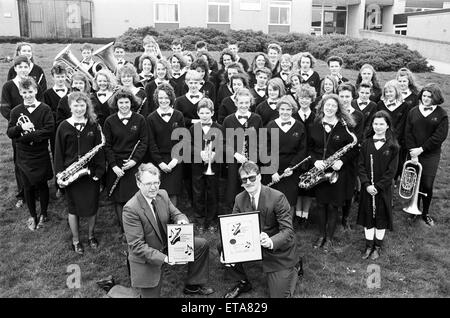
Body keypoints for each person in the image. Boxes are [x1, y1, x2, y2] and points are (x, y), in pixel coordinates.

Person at [122, 163, 215, 298]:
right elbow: (137, 247)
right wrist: (165, 258)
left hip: (168, 244)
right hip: (148, 255)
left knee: (202, 245)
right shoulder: (130, 209)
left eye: (156, 182)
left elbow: (176, 213)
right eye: (148, 184)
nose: (154, 187)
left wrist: (181, 220)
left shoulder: (163, 194)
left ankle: (193, 285)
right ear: (138, 183)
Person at [222, 161, 299, 298]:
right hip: (252, 243)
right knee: (222, 245)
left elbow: (288, 231)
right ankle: (243, 281)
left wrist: (270, 241)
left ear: (259, 177)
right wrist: (228, 251)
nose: (249, 182)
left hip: (276, 249)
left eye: (252, 177)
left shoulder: (277, 197)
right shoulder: (239, 198)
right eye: (244, 179)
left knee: (278, 296)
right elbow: (233, 225)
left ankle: (295, 267)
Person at [54, 92, 106, 255]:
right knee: (73, 209)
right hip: (71, 174)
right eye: (75, 105)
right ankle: (76, 240)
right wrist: (59, 173)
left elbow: (99, 151)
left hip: (89, 173)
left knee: (92, 207)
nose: (79, 108)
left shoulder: (93, 125)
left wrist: (99, 172)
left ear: (87, 106)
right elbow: (58, 152)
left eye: (82, 105)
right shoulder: (63, 126)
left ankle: (91, 236)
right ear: (70, 106)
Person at [306, 94, 357, 252]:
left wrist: (342, 161)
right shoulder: (314, 125)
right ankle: (321, 235)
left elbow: (354, 149)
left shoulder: (346, 126)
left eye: (333, 106)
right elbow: (309, 148)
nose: (330, 108)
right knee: (321, 204)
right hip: (320, 171)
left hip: (337, 172)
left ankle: (329, 238)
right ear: (322, 106)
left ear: (338, 108)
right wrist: (315, 161)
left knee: (333, 206)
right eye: (327, 105)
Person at [7, 77, 54, 230]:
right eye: (25, 92)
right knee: (27, 186)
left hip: (39, 152)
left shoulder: (45, 109)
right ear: (20, 92)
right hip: (24, 154)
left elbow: (49, 130)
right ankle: (33, 215)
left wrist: (26, 136)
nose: (28, 95)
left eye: (30, 92)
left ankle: (44, 214)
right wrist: (21, 128)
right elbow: (10, 132)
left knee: (42, 184)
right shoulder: (16, 111)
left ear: (36, 91)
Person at [104, 88, 148, 241]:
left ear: (131, 103)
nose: (124, 105)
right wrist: (114, 166)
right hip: (117, 167)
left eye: (126, 102)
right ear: (116, 104)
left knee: (136, 199)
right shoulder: (109, 121)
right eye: (120, 102)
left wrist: (134, 161)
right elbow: (107, 146)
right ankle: (125, 231)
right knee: (119, 200)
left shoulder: (140, 119)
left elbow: (144, 142)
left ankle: (138, 229)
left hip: (133, 164)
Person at [405, 83, 449, 226]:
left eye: (429, 97)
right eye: (424, 96)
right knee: (413, 182)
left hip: (430, 154)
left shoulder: (442, 114)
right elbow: (408, 132)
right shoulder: (413, 111)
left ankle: (425, 213)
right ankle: (413, 210)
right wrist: (413, 152)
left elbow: (439, 136)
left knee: (427, 185)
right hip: (413, 153)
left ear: (435, 98)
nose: (426, 99)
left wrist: (421, 149)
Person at [1, 56, 42, 208]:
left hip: (35, 128)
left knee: (37, 159)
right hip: (18, 129)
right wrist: (18, 123)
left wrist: (35, 123)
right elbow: (5, 107)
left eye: (26, 67)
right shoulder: (8, 86)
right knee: (19, 161)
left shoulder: (34, 85)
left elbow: (41, 104)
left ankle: (37, 190)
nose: (23, 69)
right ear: (15, 68)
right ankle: (23, 193)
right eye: (20, 67)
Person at [357, 111, 399, 260]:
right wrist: (367, 184)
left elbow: (392, 171)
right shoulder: (366, 143)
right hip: (368, 188)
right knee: (368, 216)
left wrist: (379, 186)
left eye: (382, 124)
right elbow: (360, 166)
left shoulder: (393, 146)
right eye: (376, 124)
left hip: (383, 189)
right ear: (372, 125)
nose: (378, 127)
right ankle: (369, 246)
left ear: (387, 125)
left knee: (380, 217)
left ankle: (378, 246)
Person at [265, 95, 307, 214]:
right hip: (273, 170)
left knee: (290, 201)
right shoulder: (270, 125)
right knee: (273, 200)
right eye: (282, 109)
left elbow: (302, 150)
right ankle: (272, 228)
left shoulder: (299, 126)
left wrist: (292, 167)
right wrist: (272, 170)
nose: (285, 112)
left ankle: (288, 229)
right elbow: (265, 150)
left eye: (288, 109)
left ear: (292, 110)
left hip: (291, 170)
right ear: (278, 110)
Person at [222, 88, 263, 209]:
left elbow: (261, 141)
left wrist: (253, 158)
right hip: (234, 162)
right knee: (233, 190)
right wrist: (236, 154)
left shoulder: (256, 119)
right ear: (236, 103)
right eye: (241, 103)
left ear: (250, 103)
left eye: (246, 103)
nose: (244, 105)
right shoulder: (228, 120)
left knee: (252, 189)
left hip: (251, 162)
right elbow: (222, 143)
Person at [146, 83, 185, 207]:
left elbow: (183, 140)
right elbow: (151, 143)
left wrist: (175, 160)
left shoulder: (178, 115)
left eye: (166, 98)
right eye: (161, 98)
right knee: (158, 192)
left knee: (173, 193)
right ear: (157, 99)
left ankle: (173, 222)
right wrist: (160, 163)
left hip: (175, 160)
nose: (164, 100)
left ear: (171, 98)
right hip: (158, 161)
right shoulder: (151, 118)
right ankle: (161, 221)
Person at [190, 98, 223, 234]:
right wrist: (200, 152)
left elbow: (223, 145)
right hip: (197, 165)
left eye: (207, 113)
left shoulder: (219, 128)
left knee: (212, 193)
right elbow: (188, 146)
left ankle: (212, 222)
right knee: (198, 193)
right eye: (202, 113)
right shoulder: (193, 128)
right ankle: (199, 221)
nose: (204, 115)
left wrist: (214, 153)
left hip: (213, 166)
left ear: (212, 113)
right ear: (198, 113)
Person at [337, 83, 364, 230]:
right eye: (341, 96)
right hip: (335, 156)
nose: (344, 99)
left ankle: (346, 217)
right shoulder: (334, 111)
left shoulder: (358, 115)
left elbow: (358, 138)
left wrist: (344, 157)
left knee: (349, 187)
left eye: (347, 96)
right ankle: (334, 212)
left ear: (353, 97)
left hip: (351, 156)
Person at [292, 84, 316, 226]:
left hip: (311, 156)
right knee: (297, 187)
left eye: (307, 98)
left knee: (308, 187)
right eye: (301, 98)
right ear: (298, 99)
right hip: (297, 156)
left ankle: (305, 215)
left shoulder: (316, 117)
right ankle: (297, 214)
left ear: (311, 99)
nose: (304, 100)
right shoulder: (294, 116)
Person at [376, 80, 409, 181]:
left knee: (393, 163)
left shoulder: (404, 106)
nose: (388, 94)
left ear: (397, 92)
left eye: (391, 91)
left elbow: (402, 124)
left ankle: (392, 181)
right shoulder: (380, 104)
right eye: (386, 92)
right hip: (381, 137)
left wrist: (392, 138)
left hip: (396, 140)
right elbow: (377, 122)